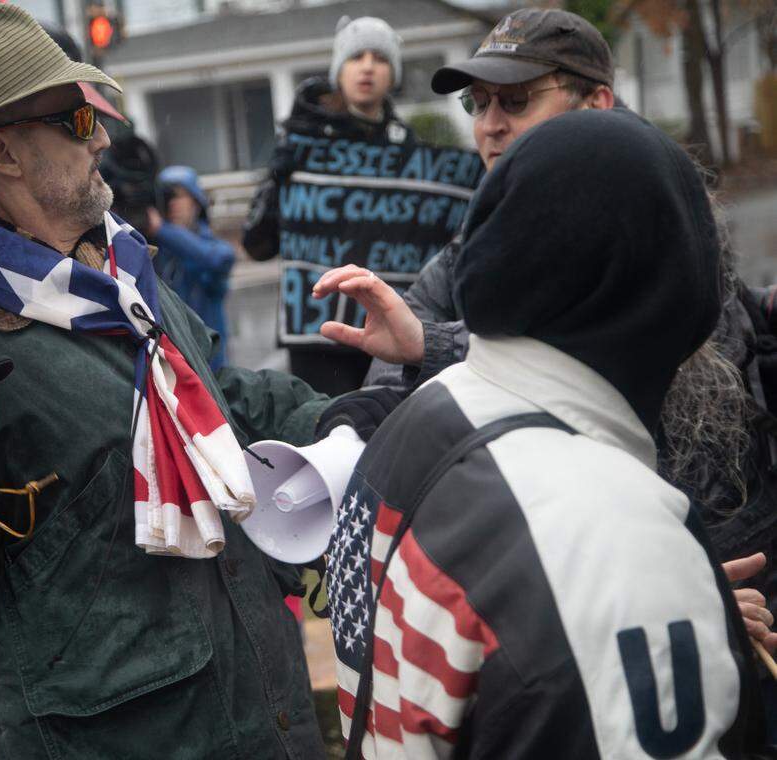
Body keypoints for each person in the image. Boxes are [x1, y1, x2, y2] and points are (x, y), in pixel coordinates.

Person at [0, 6, 351, 757]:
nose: (106, 138)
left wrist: (362, 413)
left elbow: (221, 409)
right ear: (4, 153)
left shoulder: (124, 281)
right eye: (79, 121)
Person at [327, 7, 777, 655]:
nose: (490, 125)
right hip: (592, 632)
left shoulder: (673, 233)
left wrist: (765, 316)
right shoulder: (450, 278)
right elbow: (413, 465)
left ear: (597, 104)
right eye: (478, 104)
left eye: (516, 99)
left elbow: (711, 395)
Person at [242, 15, 415, 395]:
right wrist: (279, 182)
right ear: (340, 70)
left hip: (385, 326)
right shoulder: (301, 140)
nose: (368, 66)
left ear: (394, 73)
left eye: (380, 58)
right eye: (356, 57)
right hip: (317, 332)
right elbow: (257, 244)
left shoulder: (408, 150)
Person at [148, 165, 235, 370]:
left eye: (178, 196)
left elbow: (218, 259)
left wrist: (162, 229)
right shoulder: (154, 247)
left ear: (196, 202)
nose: (172, 204)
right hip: (169, 363)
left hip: (210, 365)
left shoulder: (212, 247)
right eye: (167, 197)